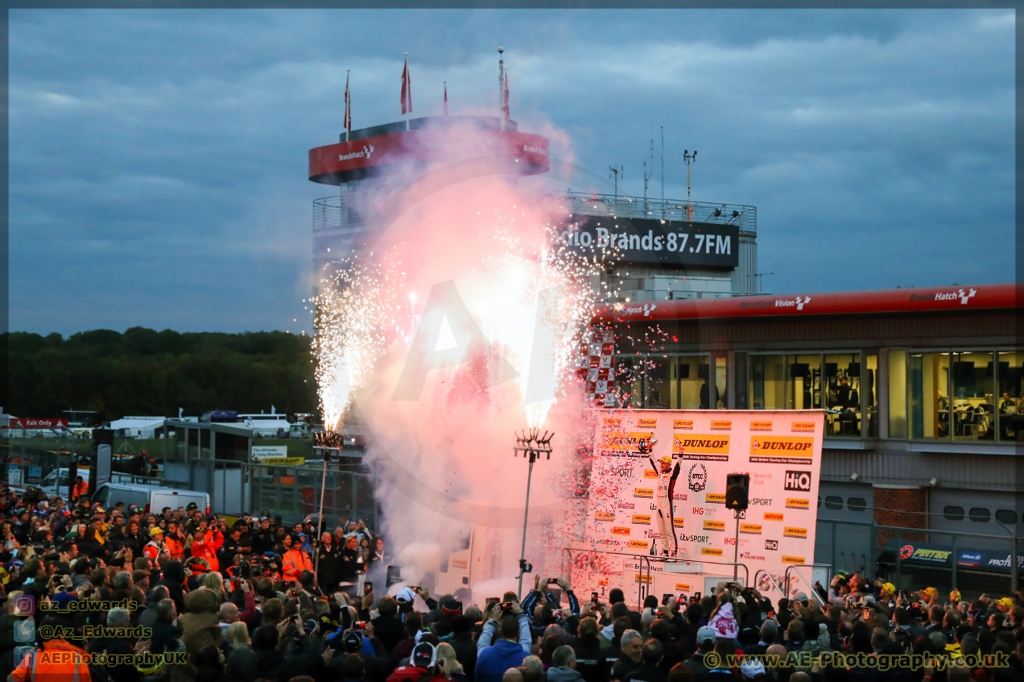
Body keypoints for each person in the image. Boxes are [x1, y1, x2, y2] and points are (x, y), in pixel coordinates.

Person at [476, 601, 532, 682]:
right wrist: (521, 616)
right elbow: (526, 640)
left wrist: (493, 621)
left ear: (499, 631)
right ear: (518, 633)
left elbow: (482, 643)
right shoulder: (526, 658)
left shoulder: (484, 654)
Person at [648, 452, 681, 557]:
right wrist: (650, 451)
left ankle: (674, 552)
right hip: (658, 504)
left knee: (669, 529)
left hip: (667, 503)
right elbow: (653, 462)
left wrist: (681, 455)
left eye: (663, 463)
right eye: (661, 463)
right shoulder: (660, 472)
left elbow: (678, 467)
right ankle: (665, 551)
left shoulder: (672, 474)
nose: (661, 464)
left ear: (669, 464)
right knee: (661, 530)